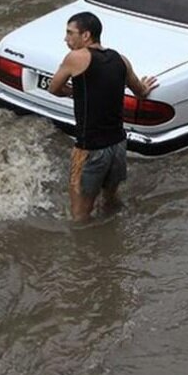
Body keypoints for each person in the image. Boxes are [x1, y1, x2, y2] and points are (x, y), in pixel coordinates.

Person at [47, 11, 158, 223]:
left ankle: (87, 253)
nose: (66, 39)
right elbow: (140, 91)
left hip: (89, 148)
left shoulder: (76, 58)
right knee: (111, 201)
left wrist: (72, 92)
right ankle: (113, 241)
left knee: (79, 215)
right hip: (117, 145)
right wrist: (146, 85)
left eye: (70, 33)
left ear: (86, 35)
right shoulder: (120, 59)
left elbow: (54, 88)